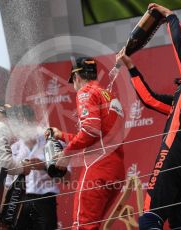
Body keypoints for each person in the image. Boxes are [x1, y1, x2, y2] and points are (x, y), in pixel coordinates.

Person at [117, 3, 181, 229]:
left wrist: (170, 17)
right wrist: (131, 67)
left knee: (150, 217)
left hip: (172, 154)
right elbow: (150, 99)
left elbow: (180, 46)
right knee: (180, 225)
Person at [48, 57, 126, 229]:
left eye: (73, 82)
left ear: (77, 77)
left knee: (82, 226)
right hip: (116, 171)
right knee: (92, 226)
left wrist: (65, 154)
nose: (74, 86)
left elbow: (90, 131)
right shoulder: (109, 95)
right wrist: (61, 135)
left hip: (97, 168)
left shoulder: (86, 92)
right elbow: (97, 136)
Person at [4, 105, 70, 230]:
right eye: (17, 123)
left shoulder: (53, 143)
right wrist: (4, 217)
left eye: (25, 121)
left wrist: (45, 166)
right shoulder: (13, 149)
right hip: (18, 204)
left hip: (45, 202)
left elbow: (67, 178)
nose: (21, 126)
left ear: (33, 121)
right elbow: (8, 186)